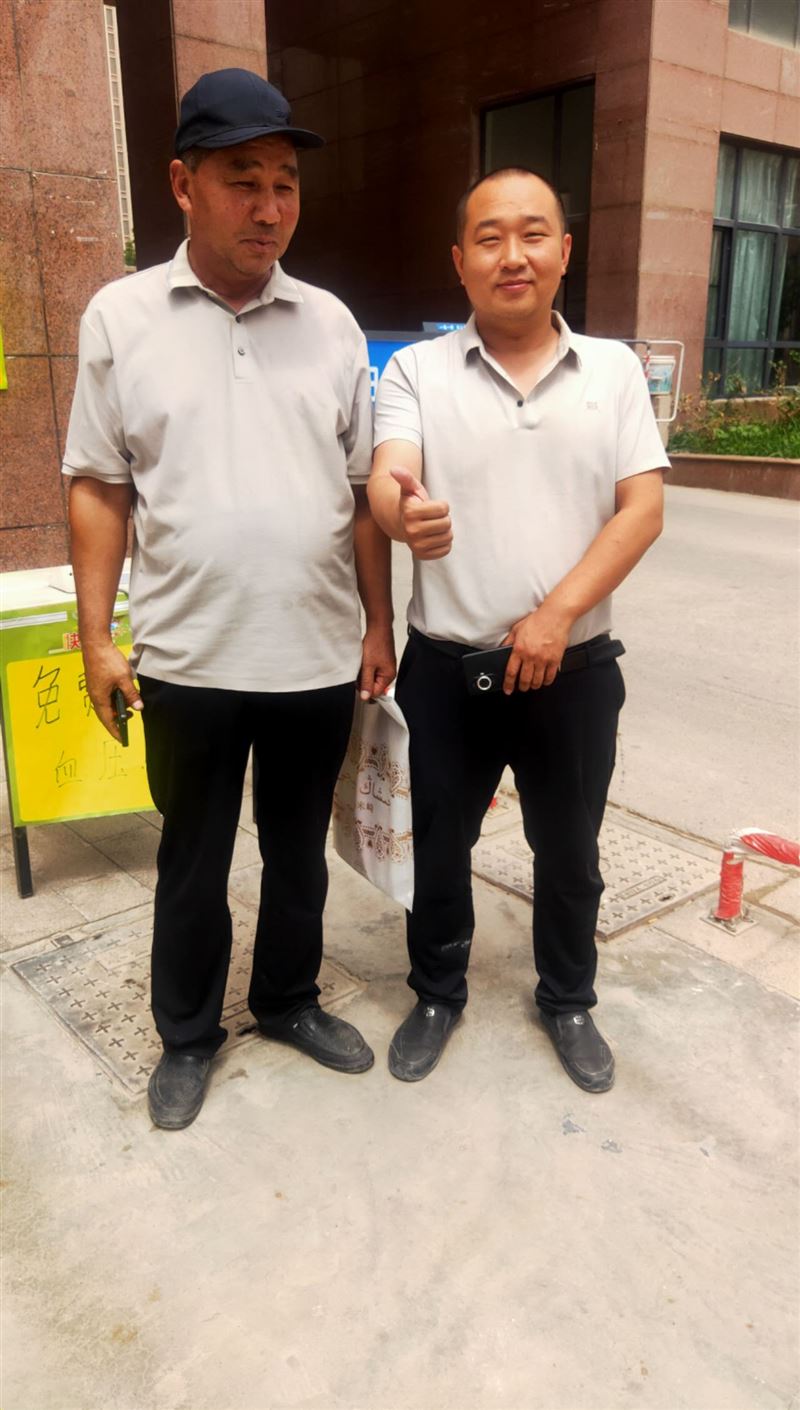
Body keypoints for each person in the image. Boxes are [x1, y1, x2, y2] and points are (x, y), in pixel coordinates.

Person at [63, 69, 395, 1129]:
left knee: (297, 853)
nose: (269, 206)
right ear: (182, 185)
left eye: (285, 182)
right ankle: (187, 1034)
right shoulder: (122, 317)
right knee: (193, 859)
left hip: (312, 654)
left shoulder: (331, 324)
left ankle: (289, 1000)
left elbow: (361, 492)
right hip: (187, 655)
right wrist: (96, 639)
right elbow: (98, 487)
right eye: (242, 179)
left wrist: (379, 623)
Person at [368, 167, 668, 1091]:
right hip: (446, 670)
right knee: (438, 846)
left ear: (564, 252)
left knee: (570, 852)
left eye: (533, 234)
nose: (513, 255)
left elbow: (643, 509)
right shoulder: (416, 371)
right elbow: (387, 476)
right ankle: (436, 992)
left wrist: (556, 616)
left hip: (571, 672)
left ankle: (568, 998)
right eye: (489, 237)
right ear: (459, 260)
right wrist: (403, 516)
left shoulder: (614, 371)